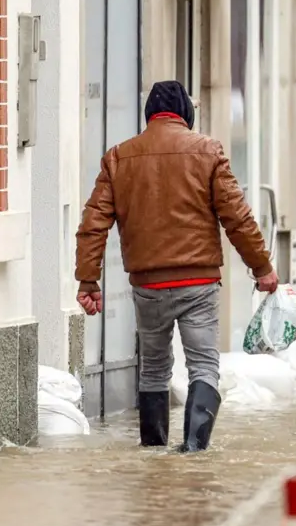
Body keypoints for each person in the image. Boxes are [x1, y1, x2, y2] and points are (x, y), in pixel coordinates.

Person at [75, 81, 278, 452]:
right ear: (186, 113)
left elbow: (93, 224)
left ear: (149, 115)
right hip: (198, 283)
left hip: (148, 286)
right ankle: (194, 453)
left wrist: (89, 280)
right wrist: (262, 267)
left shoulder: (119, 157)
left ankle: (153, 453)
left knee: (153, 367)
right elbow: (239, 217)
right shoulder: (207, 151)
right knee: (203, 366)